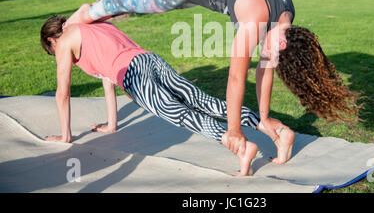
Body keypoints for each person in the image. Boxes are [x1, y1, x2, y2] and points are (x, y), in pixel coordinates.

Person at [65, 0, 359, 161]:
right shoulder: (257, 19)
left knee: (135, 5)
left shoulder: (286, 20)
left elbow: (265, 70)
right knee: (135, 3)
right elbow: (235, 78)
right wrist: (233, 131)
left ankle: (94, 14)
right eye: (271, 53)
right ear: (284, 40)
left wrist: (266, 117)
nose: (266, 56)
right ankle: (87, 12)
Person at [40, 16, 296, 176]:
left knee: (181, 114)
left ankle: (241, 148)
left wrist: (65, 136)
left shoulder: (64, 41)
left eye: (52, 50)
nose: (58, 54)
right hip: (150, 59)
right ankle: (275, 130)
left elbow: (63, 93)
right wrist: (112, 124)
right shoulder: (93, 25)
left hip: (133, 74)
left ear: (53, 39)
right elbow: (108, 78)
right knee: (204, 101)